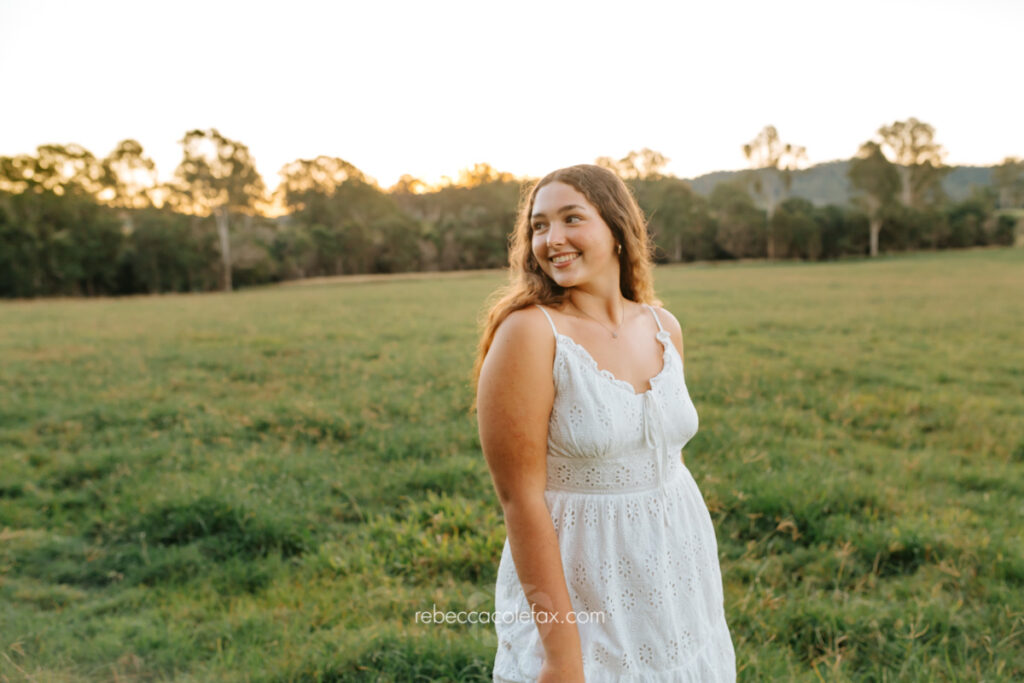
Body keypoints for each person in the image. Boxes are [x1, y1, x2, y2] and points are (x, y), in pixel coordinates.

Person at [472, 164, 736, 682]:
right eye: (539, 225)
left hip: (677, 564)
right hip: (585, 575)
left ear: (617, 229)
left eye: (572, 218)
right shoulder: (530, 333)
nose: (553, 239)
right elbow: (520, 500)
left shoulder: (663, 326)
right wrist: (561, 656)